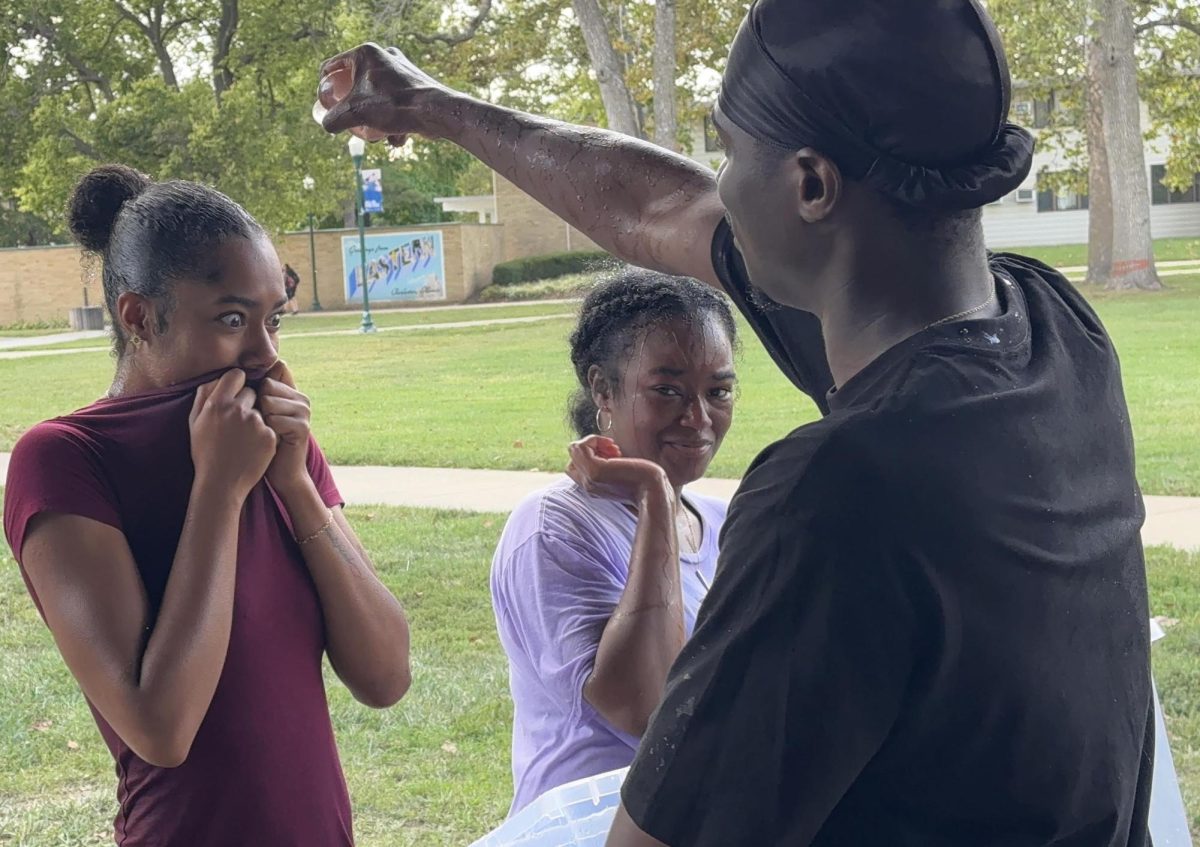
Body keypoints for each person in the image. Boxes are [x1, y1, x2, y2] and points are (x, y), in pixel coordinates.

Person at [320, 0, 1154, 844]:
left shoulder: (839, 490)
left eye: (726, 148)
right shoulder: (1056, 332)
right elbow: (657, 209)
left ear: (811, 185)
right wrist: (432, 105)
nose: (716, 183)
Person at [2, 165, 411, 847]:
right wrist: (218, 491)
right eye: (231, 319)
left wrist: (294, 482)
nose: (264, 351)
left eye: (273, 318)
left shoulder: (274, 443)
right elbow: (161, 726)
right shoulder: (66, 459)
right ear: (138, 316)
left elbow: (386, 675)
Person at [490, 271, 737, 815]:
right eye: (668, 390)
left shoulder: (725, 523)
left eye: (717, 391)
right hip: (591, 824)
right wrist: (652, 492)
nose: (698, 418)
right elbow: (647, 710)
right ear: (603, 388)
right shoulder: (554, 526)